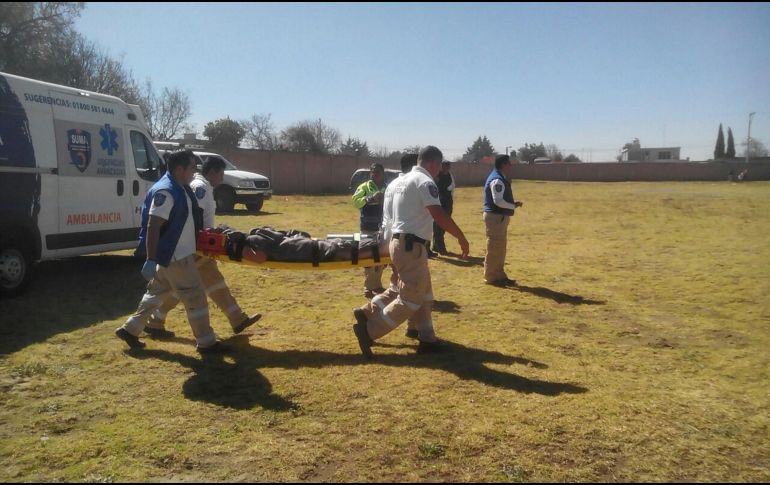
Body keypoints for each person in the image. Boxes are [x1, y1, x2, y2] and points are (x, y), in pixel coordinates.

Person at [352, 146, 470, 358]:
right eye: (439, 167)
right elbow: (439, 215)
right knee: (411, 298)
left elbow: (388, 219)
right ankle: (369, 331)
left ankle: (425, 336)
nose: (439, 172)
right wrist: (461, 237)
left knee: (424, 294)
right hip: (411, 246)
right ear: (433, 163)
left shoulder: (397, 183)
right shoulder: (424, 182)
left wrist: (386, 247)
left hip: (398, 244)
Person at [115, 150, 225, 353]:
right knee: (195, 297)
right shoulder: (166, 191)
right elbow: (153, 225)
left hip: (172, 255)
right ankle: (207, 343)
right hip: (176, 256)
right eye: (192, 167)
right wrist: (151, 258)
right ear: (180, 169)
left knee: (155, 294)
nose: (195, 172)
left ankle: (130, 329)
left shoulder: (179, 187)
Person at [144, 156, 262, 339]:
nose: (222, 179)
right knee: (179, 287)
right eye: (221, 174)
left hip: (198, 245)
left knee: (213, 282)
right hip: (196, 246)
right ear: (212, 172)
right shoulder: (201, 187)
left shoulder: (202, 186)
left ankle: (237, 318)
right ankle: (155, 321)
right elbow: (194, 215)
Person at [482, 154, 523, 286]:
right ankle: (490, 276)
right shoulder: (497, 180)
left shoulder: (499, 178)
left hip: (498, 217)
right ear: (503, 164)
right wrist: (512, 206)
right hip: (496, 217)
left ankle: (498, 274)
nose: (510, 166)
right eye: (509, 164)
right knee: (494, 247)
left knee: (499, 248)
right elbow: (498, 201)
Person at [351, 163, 387, 298]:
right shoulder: (364, 187)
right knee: (368, 258)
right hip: (367, 228)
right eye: (372, 172)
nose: (374, 174)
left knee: (382, 259)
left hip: (383, 228)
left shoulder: (387, 188)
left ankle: (377, 285)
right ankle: (368, 287)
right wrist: (370, 198)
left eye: (377, 172)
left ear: (383, 174)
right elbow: (355, 201)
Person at [431, 160, 455, 255]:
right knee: (438, 226)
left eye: (448, 166)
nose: (446, 168)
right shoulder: (437, 176)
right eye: (444, 166)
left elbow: (452, 187)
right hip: (439, 203)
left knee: (444, 225)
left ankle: (436, 246)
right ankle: (440, 247)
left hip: (448, 202)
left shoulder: (450, 176)